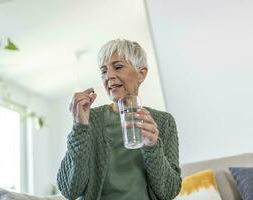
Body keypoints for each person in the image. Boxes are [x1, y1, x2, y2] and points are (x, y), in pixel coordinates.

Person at [57, 39, 181, 200]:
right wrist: (79, 127)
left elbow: (169, 192)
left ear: (141, 73)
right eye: (103, 71)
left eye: (118, 67)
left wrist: (152, 146)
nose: (109, 76)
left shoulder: (164, 122)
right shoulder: (90, 119)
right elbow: (69, 190)